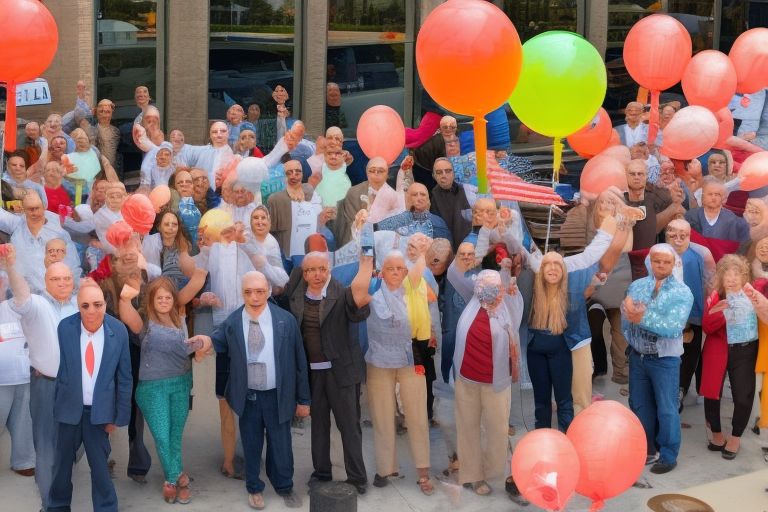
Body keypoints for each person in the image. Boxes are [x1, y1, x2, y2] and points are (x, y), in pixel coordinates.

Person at [211, 271, 309, 510]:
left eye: (259, 291)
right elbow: (216, 341)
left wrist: (304, 399)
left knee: (281, 443)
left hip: (278, 394)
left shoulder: (285, 320)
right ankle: (254, 488)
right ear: (241, 292)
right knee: (252, 444)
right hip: (249, 396)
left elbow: (299, 361)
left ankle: (284, 485)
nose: (254, 297)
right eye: (248, 292)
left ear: (267, 290)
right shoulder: (233, 322)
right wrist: (203, 342)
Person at [119, 276, 211, 503]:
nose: (163, 300)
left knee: (174, 436)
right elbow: (127, 316)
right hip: (152, 389)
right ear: (151, 300)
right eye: (158, 297)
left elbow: (184, 350)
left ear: (173, 299)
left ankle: (174, 476)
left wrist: (201, 345)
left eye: (167, 296)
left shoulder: (180, 318)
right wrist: (124, 299)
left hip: (181, 383)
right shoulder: (145, 322)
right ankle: (175, 479)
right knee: (161, 436)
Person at [287, 251, 372, 493]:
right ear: (304, 273)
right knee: (319, 427)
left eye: (322, 269)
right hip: (313, 375)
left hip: (342, 374)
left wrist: (363, 302)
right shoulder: (296, 297)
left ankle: (357, 478)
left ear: (329, 270)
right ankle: (321, 473)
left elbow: (358, 311)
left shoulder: (343, 293)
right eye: (311, 270)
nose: (317, 274)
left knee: (349, 427)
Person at [47, 281, 133, 512]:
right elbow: (63, 367)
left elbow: (125, 377)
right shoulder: (65, 327)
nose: (91, 311)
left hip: (100, 414)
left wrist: (118, 416)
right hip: (69, 411)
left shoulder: (119, 331)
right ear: (78, 306)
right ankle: (57, 506)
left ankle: (106, 508)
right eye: (85, 306)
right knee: (61, 467)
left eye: (97, 304)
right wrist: (59, 406)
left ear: (106, 304)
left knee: (101, 469)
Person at [363, 246, 435, 495]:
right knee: (382, 417)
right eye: (389, 268)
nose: (395, 272)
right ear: (381, 272)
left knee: (416, 417)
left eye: (399, 269)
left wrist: (423, 252)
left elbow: (421, 270)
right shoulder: (372, 292)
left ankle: (423, 472)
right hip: (378, 362)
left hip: (410, 359)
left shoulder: (413, 290)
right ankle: (386, 468)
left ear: (405, 271)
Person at [623, 243, 694, 474]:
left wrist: (640, 318)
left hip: (665, 359)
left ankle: (668, 454)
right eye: (657, 261)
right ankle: (646, 448)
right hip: (638, 356)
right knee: (640, 405)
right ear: (649, 262)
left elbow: (673, 327)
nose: (661, 265)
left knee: (667, 408)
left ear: (674, 264)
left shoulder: (682, 292)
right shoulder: (636, 285)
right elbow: (625, 317)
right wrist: (634, 331)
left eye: (667, 261)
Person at [453, 269, 523, 495]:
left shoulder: (508, 308)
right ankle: (473, 476)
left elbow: (515, 296)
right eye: (484, 287)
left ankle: (493, 471)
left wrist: (509, 282)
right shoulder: (471, 303)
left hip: (496, 382)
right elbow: (454, 273)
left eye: (495, 287)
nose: (489, 292)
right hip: (467, 379)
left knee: (497, 430)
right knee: (468, 429)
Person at [701, 255, 758, 460]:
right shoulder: (715, 297)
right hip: (718, 348)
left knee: (743, 396)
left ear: (744, 277)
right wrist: (726, 311)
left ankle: (735, 436)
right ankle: (717, 434)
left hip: (745, 351)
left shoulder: (752, 294)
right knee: (712, 392)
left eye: (737, 274)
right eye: (727, 274)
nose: (732, 279)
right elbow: (707, 326)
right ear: (720, 277)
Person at [665, 219, 710, 412]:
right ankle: (669, 388)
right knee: (668, 353)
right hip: (666, 315)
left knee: (690, 353)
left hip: (693, 314)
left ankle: (681, 389)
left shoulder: (699, 254)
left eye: (683, 234)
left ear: (689, 235)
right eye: (673, 233)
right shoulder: (660, 253)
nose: (678, 238)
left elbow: (709, 282)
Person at [0, 191, 81, 294]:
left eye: (37, 208)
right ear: (23, 210)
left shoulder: (58, 231)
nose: (34, 212)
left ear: (43, 207)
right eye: (30, 209)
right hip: (29, 293)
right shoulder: (17, 225)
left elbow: (73, 265)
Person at [0, 264, 35, 478]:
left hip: (22, 377)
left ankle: (24, 461)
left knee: (24, 420)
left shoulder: (13, 306)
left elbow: (24, 294)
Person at [266, 159, 317, 258]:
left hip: (308, 249)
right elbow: (271, 231)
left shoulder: (310, 193)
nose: (294, 175)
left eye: (298, 172)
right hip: (285, 251)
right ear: (284, 175)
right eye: (289, 173)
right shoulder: (275, 199)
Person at [685, 177, 750, 250]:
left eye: (717, 194)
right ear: (702, 197)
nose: (713, 198)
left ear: (724, 199)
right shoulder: (690, 216)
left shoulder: (734, 221)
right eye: (710, 194)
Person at [374, 183, 451, 242]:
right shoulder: (398, 220)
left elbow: (445, 252)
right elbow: (373, 230)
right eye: (415, 195)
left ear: (428, 201)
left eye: (423, 194)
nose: (419, 198)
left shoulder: (438, 222)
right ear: (407, 200)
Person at [430, 158, 472, 250]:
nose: (444, 175)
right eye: (439, 172)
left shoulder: (467, 192)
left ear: (453, 173)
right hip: (446, 250)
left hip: (469, 249)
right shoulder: (431, 197)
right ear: (434, 176)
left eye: (448, 171)